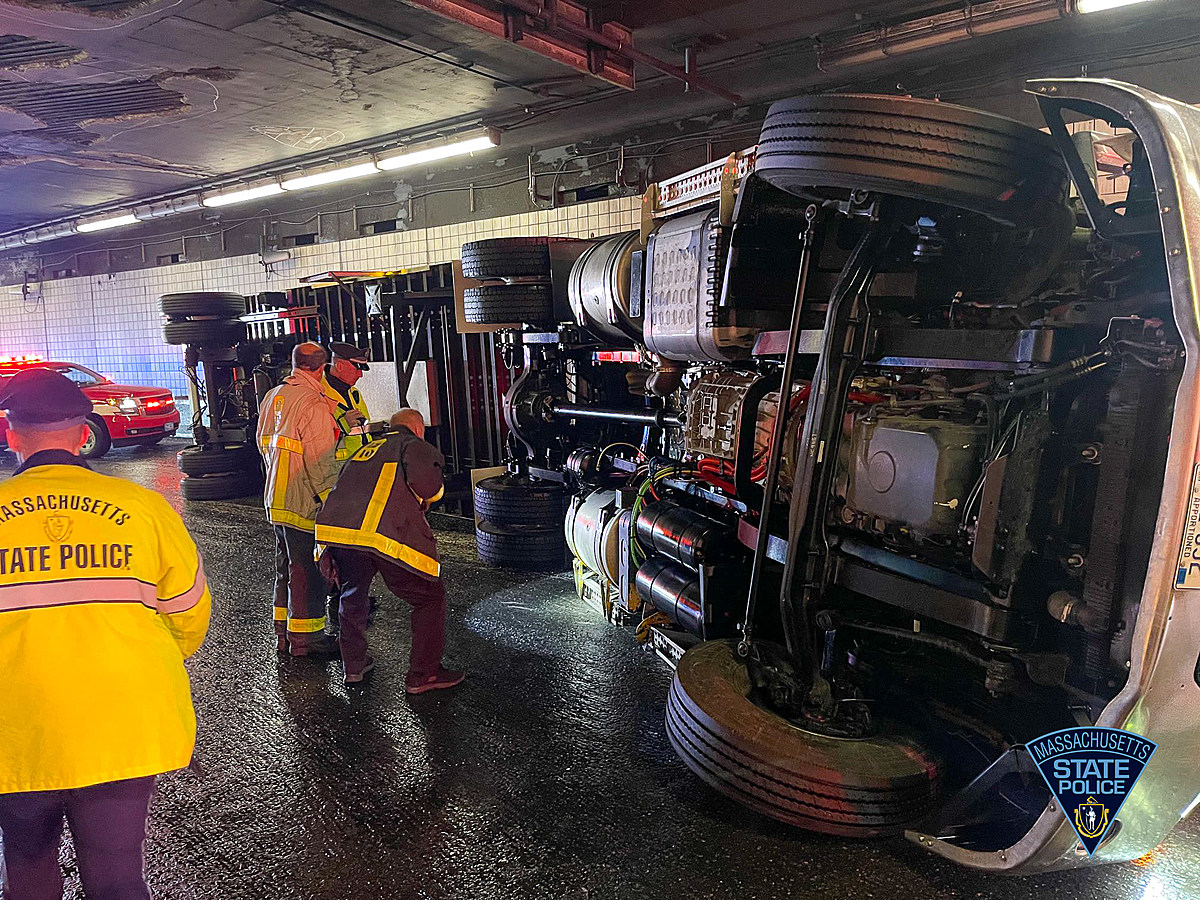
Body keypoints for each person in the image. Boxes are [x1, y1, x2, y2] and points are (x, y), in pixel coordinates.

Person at [0, 368, 210, 900]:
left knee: (26, 871)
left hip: (16, 727)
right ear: (80, 434)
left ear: (11, 434)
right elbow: (188, 615)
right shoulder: (145, 509)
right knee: (117, 876)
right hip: (121, 721)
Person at [315, 408, 463, 691]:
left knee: (351, 594)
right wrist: (432, 495)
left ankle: (353, 666)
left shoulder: (367, 448)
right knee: (429, 597)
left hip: (341, 535)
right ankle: (424, 675)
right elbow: (429, 486)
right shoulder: (411, 444)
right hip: (382, 534)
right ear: (418, 429)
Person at [257, 341, 341, 656]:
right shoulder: (313, 404)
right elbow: (320, 465)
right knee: (308, 571)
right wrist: (332, 504)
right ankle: (307, 640)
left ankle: (284, 633)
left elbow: (263, 445)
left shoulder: (273, 396)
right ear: (323, 368)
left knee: (286, 569)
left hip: (275, 500)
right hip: (304, 503)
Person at [325, 341, 372, 461]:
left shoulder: (354, 393)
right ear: (339, 366)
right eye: (357, 369)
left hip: (361, 464)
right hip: (336, 470)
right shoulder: (319, 395)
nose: (360, 375)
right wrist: (342, 424)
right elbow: (314, 438)